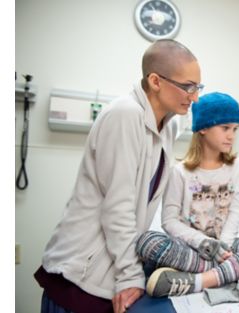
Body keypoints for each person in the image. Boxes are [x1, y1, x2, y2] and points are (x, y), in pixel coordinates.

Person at [34, 39, 204, 313]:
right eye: (187, 86)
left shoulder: (167, 128)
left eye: (198, 87)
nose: (194, 96)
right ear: (155, 81)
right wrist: (130, 276)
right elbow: (118, 207)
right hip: (81, 275)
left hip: (113, 270)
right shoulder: (125, 115)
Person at [135, 92, 239, 298]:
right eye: (225, 128)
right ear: (203, 128)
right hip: (192, 246)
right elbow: (169, 221)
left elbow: (235, 213)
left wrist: (222, 247)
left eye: (235, 129)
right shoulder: (179, 172)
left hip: (227, 245)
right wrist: (204, 243)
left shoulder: (238, 167)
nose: (232, 136)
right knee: (147, 242)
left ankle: (199, 280)